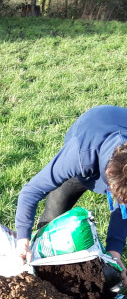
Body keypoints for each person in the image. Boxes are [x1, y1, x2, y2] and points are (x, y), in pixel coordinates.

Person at [15, 105, 127, 285]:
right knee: (54, 212)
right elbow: (30, 191)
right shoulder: (79, 155)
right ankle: (40, 256)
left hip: (117, 132)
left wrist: (114, 253)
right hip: (89, 134)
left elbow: (124, 209)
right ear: (109, 175)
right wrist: (23, 240)